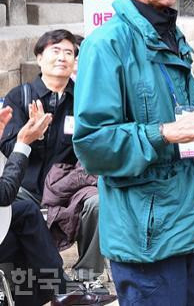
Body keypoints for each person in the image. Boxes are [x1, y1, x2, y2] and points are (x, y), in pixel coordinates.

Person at [73, 0, 194, 305]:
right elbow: (93, 145)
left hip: (190, 223)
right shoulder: (106, 44)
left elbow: (180, 117)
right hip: (147, 236)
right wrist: (165, 133)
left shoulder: (171, 37)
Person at [0, 30, 105, 283]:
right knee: (12, 208)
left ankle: (87, 275)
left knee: (98, 203)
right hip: (25, 186)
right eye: (55, 51)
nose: (62, 58)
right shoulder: (20, 97)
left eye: (68, 52)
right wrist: (32, 136)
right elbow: (7, 146)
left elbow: (96, 144)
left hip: (69, 188)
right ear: (39, 58)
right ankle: (27, 281)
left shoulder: (84, 100)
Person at [0, 106, 116, 306]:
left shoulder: (75, 98)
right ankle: (60, 292)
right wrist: (23, 143)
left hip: (63, 183)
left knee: (26, 215)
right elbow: (5, 192)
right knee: (26, 237)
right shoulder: (22, 96)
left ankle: (61, 291)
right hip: (28, 189)